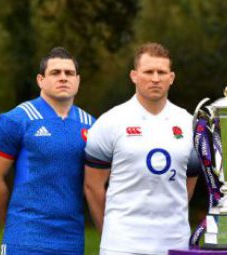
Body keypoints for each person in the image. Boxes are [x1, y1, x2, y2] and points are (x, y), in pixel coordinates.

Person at [83, 42, 200, 255]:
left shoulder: (189, 124)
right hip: (123, 244)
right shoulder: (110, 122)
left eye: (161, 72)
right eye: (148, 71)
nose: (155, 78)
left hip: (175, 243)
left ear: (171, 78)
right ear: (134, 75)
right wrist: (109, 232)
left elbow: (188, 184)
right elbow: (93, 186)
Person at [0, 47, 95, 254]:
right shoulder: (16, 120)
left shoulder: (92, 126)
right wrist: (11, 223)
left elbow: (96, 184)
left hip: (71, 240)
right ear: (40, 80)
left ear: (78, 80)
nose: (63, 78)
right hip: (25, 238)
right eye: (55, 73)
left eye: (69, 73)